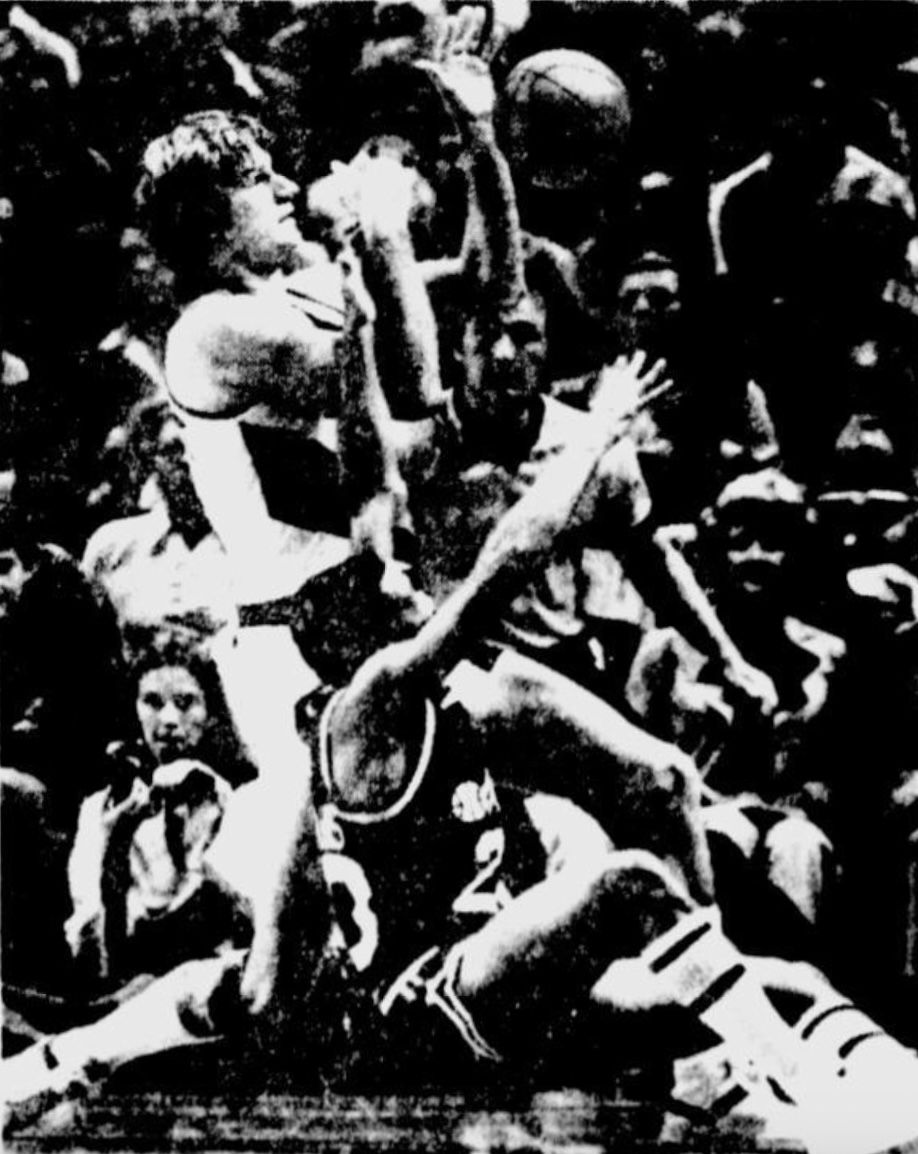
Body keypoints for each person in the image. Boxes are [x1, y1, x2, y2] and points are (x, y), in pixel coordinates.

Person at [7, 392, 918, 1154]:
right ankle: (801, 1105)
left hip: (502, 984)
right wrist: (595, 435)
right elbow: (509, 560)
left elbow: (271, 981)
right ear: (346, 622)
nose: (405, 582)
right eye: (385, 582)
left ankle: (878, 1100)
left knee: (788, 981)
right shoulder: (372, 698)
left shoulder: (410, 707)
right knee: (630, 888)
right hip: (435, 1004)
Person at [64, 628, 253, 993]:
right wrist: (111, 839)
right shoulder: (102, 807)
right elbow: (89, 957)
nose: (168, 720)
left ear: (211, 712)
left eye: (185, 703)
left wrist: (218, 796)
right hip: (126, 993)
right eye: (152, 702)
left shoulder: (239, 800)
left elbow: (248, 920)